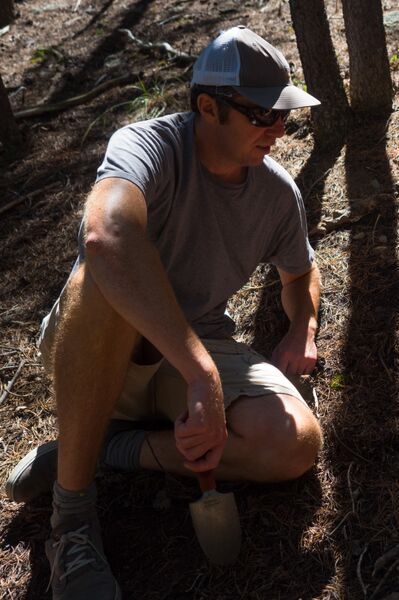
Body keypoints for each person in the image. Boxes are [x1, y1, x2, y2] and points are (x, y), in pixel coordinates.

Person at [4, 26, 324, 599]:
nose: (278, 130)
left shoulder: (276, 195)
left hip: (196, 349)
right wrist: (202, 375)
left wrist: (303, 326)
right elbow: (105, 235)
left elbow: (300, 274)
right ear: (208, 107)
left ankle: (103, 449)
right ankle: (71, 521)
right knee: (105, 273)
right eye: (263, 115)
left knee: (293, 444)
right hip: (104, 347)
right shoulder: (147, 148)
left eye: (284, 115)